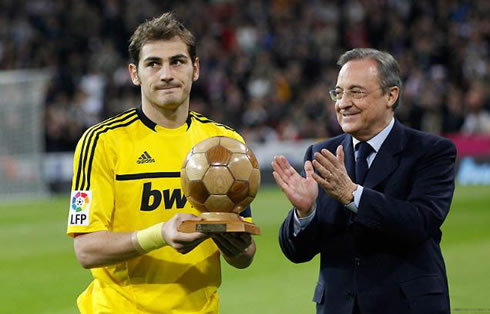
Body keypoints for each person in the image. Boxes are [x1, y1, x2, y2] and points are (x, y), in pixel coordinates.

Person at [66, 12, 256, 313]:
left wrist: (236, 245)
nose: (166, 73)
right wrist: (160, 235)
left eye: (177, 61)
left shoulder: (225, 143)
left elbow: (244, 256)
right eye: (153, 64)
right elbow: (86, 249)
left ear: (195, 69)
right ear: (134, 74)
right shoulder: (101, 142)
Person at [273, 48, 456, 314]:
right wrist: (305, 212)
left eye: (356, 92)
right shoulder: (320, 154)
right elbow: (298, 253)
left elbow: (420, 222)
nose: (343, 103)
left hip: (407, 305)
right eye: (338, 92)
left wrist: (352, 195)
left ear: (391, 96)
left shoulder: (431, 151)